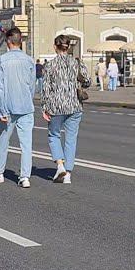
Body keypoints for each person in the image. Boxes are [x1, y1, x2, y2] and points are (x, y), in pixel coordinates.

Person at [0, 27, 37, 188]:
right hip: (26, 106)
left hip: (8, 107)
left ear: (8, 42)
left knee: (3, 141)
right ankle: (25, 177)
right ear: (20, 41)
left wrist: (1, 109)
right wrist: (28, 99)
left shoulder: (1, 60)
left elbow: (0, 88)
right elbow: (32, 86)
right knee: (26, 144)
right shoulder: (29, 60)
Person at [42, 36, 89, 183]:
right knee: (71, 139)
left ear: (55, 47)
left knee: (53, 135)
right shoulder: (77, 63)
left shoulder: (49, 65)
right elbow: (87, 82)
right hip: (75, 106)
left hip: (56, 107)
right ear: (68, 47)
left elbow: (45, 89)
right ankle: (67, 174)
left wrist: (44, 107)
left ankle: (60, 165)